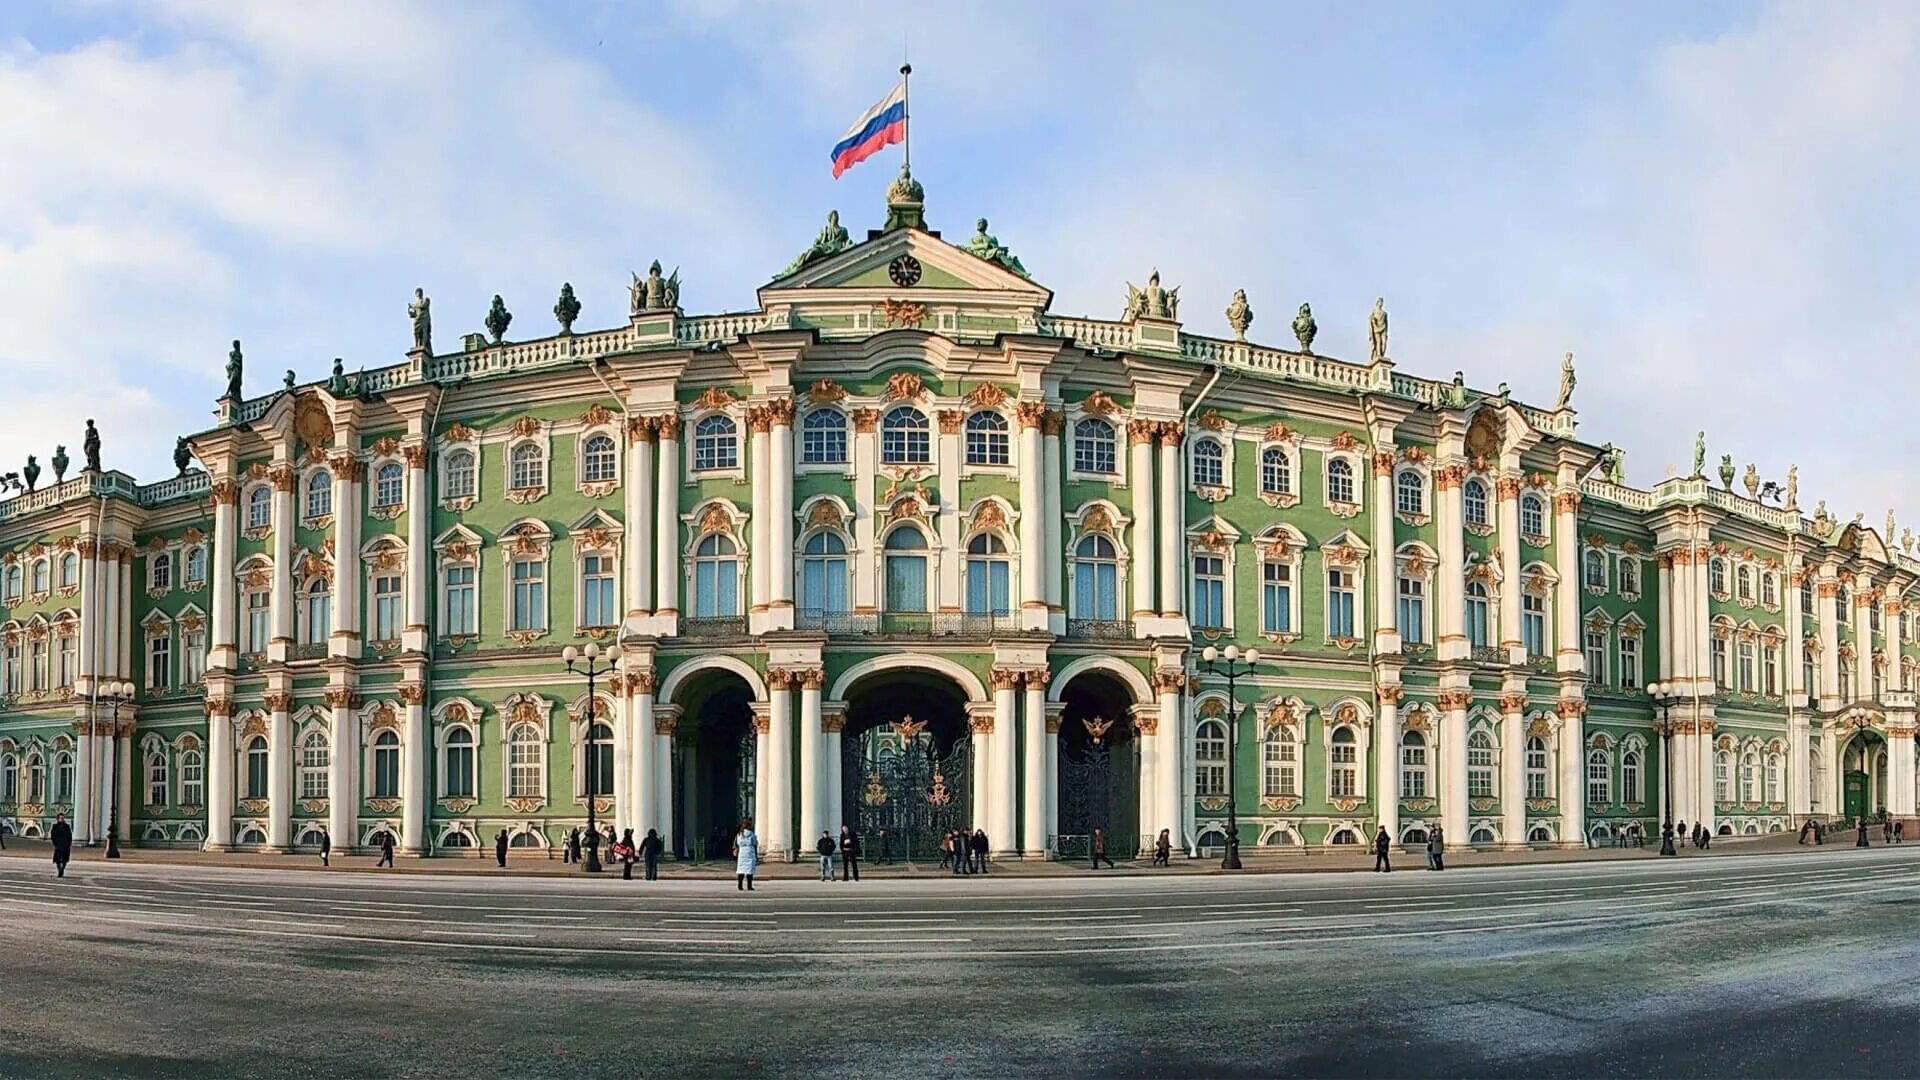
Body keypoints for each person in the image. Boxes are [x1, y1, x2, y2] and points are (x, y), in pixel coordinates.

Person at [734, 819, 760, 891]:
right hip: (750, 852)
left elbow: (737, 843)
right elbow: (755, 843)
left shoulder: (739, 834)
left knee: (741, 869)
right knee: (749, 870)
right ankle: (749, 886)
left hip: (742, 853)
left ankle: (740, 885)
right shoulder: (751, 834)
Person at [50, 812, 72, 878]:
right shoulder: (55, 826)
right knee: (57, 860)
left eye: (62, 818)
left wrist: (68, 844)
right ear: (58, 819)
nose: (61, 819)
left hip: (65, 845)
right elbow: (53, 836)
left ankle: (62, 869)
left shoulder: (67, 826)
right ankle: (60, 869)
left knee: (65, 859)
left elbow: (69, 836)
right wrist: (55, 843)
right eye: (60, 818)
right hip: (58, 845)